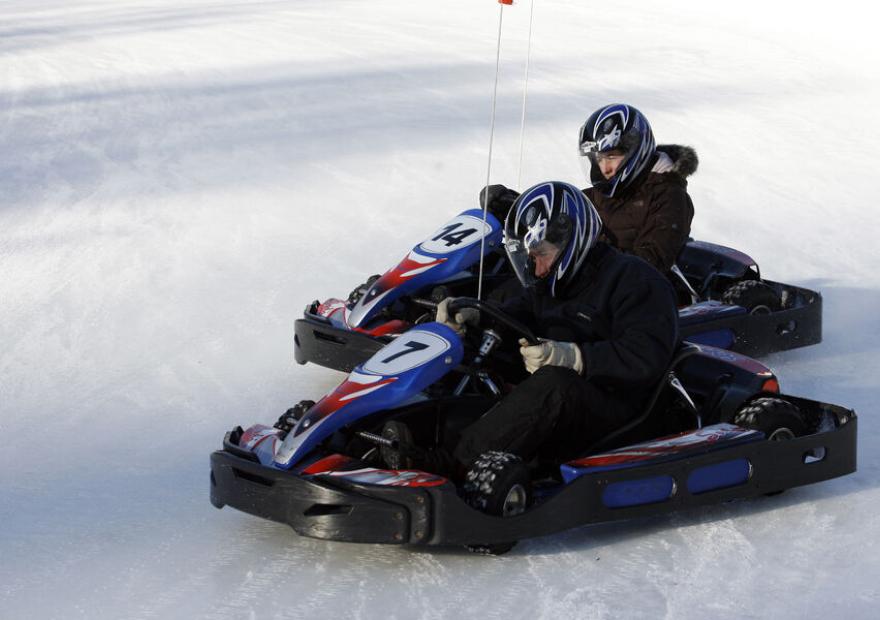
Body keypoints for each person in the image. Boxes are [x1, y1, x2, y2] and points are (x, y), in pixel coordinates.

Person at [384, 180, 679, 477]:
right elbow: (519, 313)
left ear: (570, 239)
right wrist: (476, 316)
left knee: (555, 384)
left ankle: (457, 466)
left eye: (542, 254)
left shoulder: (637, 281)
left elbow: (647, 357)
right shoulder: (552, 281)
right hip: (557, 393)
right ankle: (389, 425)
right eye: (530, 258)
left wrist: (574, 358)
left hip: (618, 408)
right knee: (468, 351)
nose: (537, 268)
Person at [483, 103, 698, 274]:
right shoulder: (601, 195)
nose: (605, 167)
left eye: (612, 156)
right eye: (599, 158)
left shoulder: (669, 196)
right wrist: (515, 208)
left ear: (636, 150)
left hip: (630, 302)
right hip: (585, 287)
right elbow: (557, 217)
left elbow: (651, 263)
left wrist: (583, 254)